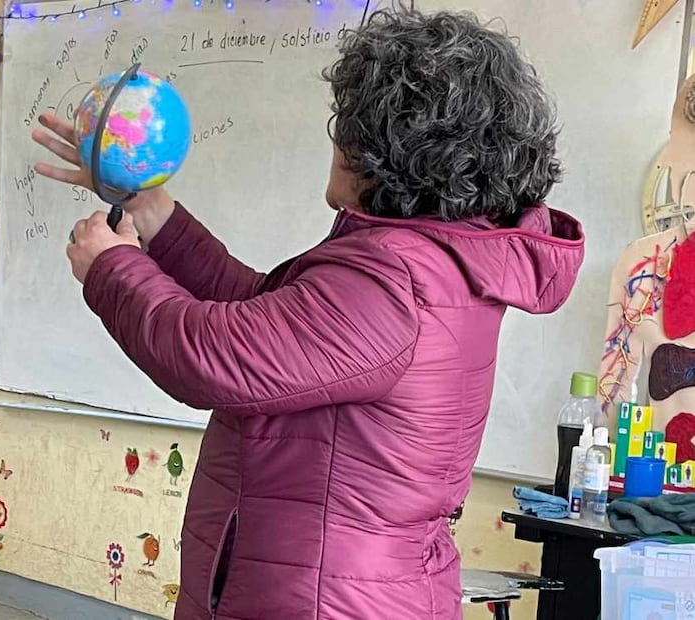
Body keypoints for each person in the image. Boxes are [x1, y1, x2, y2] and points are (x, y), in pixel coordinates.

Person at [33, 8, 584, 619]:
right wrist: (152, 212)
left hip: (327, 601)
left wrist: (111, 269)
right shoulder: (428, 263)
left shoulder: (394, 281)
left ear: (384, 154)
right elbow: (263, 315)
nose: (337, 142)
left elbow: (213, 354)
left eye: (348, 128)